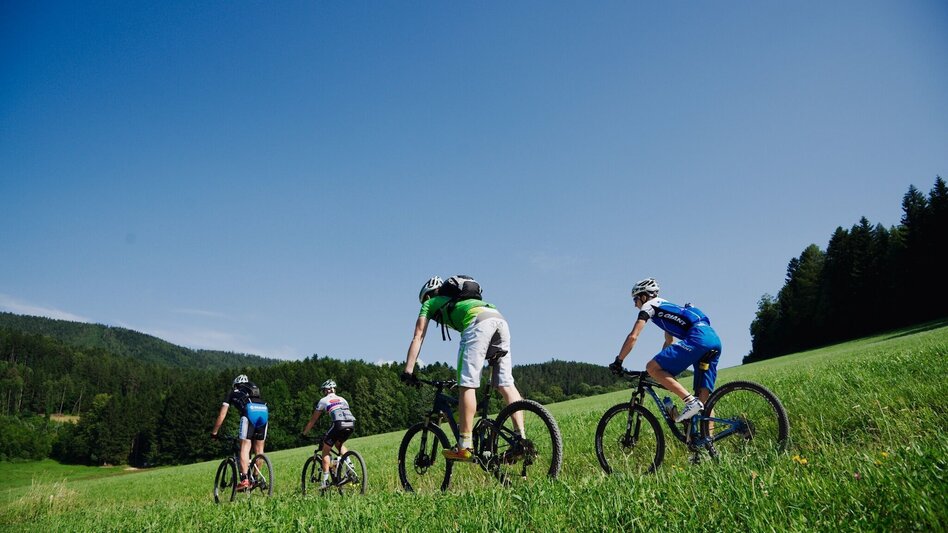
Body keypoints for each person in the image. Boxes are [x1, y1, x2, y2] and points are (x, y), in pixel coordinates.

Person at [402, 275, 525, 461]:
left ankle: (464, 445)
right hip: (499, 319)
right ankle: (520, 439)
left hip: (477, 323)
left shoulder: (430, 302)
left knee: (467, 383)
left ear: (427, 296)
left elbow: (418, 336)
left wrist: (408, 370)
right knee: (505, 383)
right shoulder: (461, 301)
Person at [609, 277, 722, 422]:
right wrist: (660, 370)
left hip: (698, 337)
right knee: (704, 402)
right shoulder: (668, 308)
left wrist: (619, 360)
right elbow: (669, 341)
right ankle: (706, 441)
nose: (635, 305)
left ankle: (690, 402)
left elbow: (633, 336)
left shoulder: (649, 305)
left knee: (651, 366)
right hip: (713, 338)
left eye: (635, 300)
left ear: (644, 296)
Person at [211, 375, 269, 491]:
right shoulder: (252, 390)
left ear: (235, 385)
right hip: (264, 410)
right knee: (259, 450)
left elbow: (222, 415)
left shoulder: (232, 393)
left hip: (250, 411)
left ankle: (244, 480)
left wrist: (214, 432)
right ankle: (256, 478)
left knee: (244, 446)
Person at [301, 379, 357, 489]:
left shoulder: (323, 400)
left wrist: (304, 433)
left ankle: (325, 481)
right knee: (338, 444)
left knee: (325, 450)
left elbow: (313, 420)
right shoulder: (343, 399)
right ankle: (350, 467)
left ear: (326, 391)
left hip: (338, 424)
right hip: (351, 424)